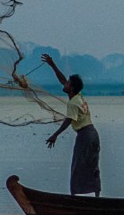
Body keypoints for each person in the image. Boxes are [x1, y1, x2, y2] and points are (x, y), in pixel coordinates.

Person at [41, 55, 101, 195]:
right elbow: (62, 79)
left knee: (77, 166)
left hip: (85, 135)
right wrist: (52, 64)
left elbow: (68, 121)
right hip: (93, 134)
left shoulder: (73, 103)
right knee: (92, 165)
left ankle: (73, 197)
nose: (64, 84)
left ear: (71, 88)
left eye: (68, 83)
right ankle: (97, 196)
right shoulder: (78, 96)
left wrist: (55, 135)